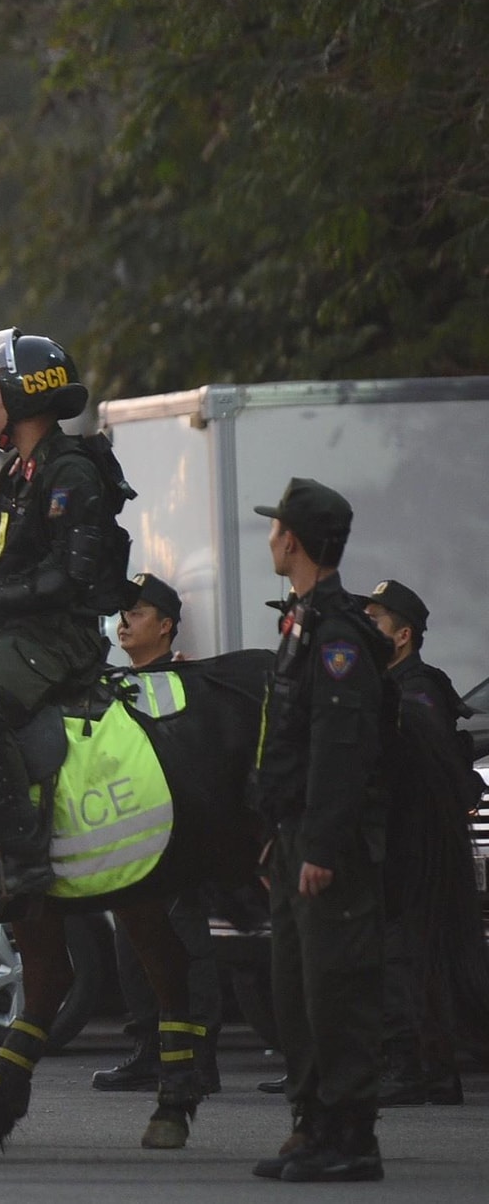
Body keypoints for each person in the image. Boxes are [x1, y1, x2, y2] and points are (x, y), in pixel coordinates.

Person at [0, 329, 132, 899]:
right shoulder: (17, 472)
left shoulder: (73, 474)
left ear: (22, 396)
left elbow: (70, 579)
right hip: (15, 631)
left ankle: (23, 862)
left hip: (61, 637)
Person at [249, 478, 388, 1183]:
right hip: (295, 836)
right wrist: (277, 833)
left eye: (276, 528)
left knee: (335, 989)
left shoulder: (337, 636)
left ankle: (351, 1137)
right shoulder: (302, 620)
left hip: (326, 844)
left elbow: (340, 748)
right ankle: (311, 1123)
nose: (270, 537)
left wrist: (324, 848)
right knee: (297, 990)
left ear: (293, 541)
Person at [92, 574, 221, 1094]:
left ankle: (196, 1057)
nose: (124, 622)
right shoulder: (113, 686)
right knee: (132, 943)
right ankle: (150, 1048)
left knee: (182, 940)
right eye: (122, 612)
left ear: (166, 626)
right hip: (128, 836)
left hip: (177, 836)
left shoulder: (188, 685)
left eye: (138, 613)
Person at [363, 579, 471, 1107]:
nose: (366, 630)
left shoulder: (418, 688)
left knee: (406, 953)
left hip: (414, 846)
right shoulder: (390, 687)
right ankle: (425, 1069)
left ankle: (413, 1068)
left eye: (376, 622)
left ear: (402, 635)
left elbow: (429, 761)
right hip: (401, 842)